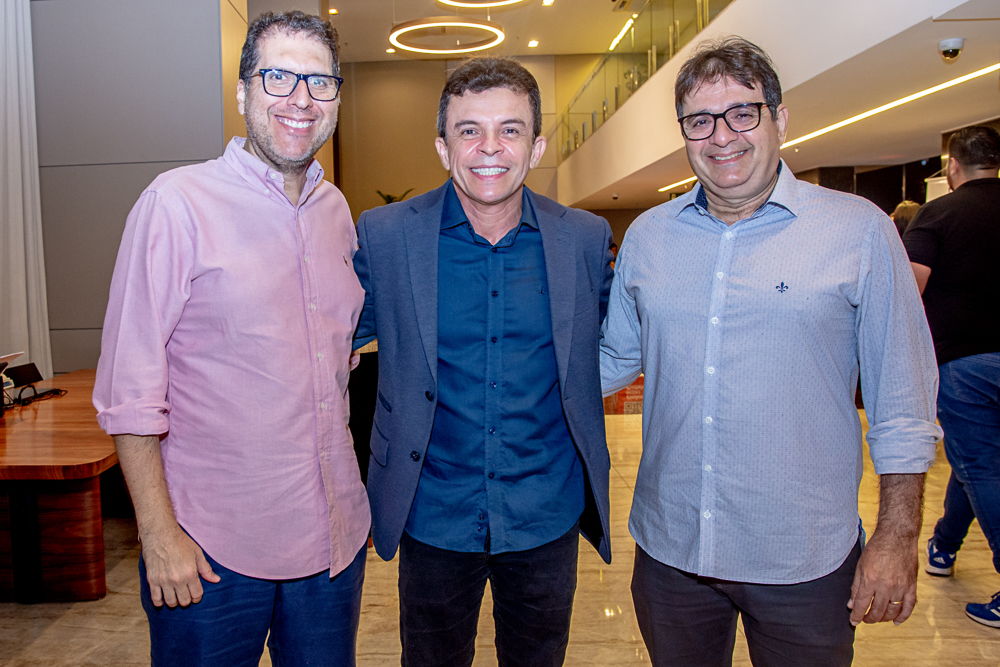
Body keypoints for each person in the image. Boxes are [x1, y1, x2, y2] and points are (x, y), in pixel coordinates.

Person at [599, 37, 941, 666]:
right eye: (700, 120)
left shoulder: (858, 230)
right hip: (672, 551)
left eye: (742, 113)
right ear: (684, 134)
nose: (721, 136)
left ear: (779, 118)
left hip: (803, 559)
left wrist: (897, 537)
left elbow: (904, 400)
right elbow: (614, 359)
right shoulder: (649, 237)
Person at [93, 12, 368, 666]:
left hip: (332, 547)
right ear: (243, 93)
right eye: (278, 76)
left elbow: (337, 358)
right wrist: (158, 535)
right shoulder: (175, 204)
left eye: (319, 82)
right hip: (210, 555)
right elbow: (129, 393)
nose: (300, 98)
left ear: (335, 100)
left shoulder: (338, 212)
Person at [353, 57, 614, 667]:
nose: (489, 148)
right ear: (443, 147)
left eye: (511, 129)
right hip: (434, 510)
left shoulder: (583, 238)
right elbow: (327, 331)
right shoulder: (387, 236)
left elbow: (624, 339)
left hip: (545, 513)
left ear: (537, 144)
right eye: (469, 130)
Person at [904, 125, 1000, 627]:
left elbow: (909, 290)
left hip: (964, 363)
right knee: (973, 464)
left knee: (981, 466)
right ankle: (943, 547)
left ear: (952, 166)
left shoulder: (939, 213)